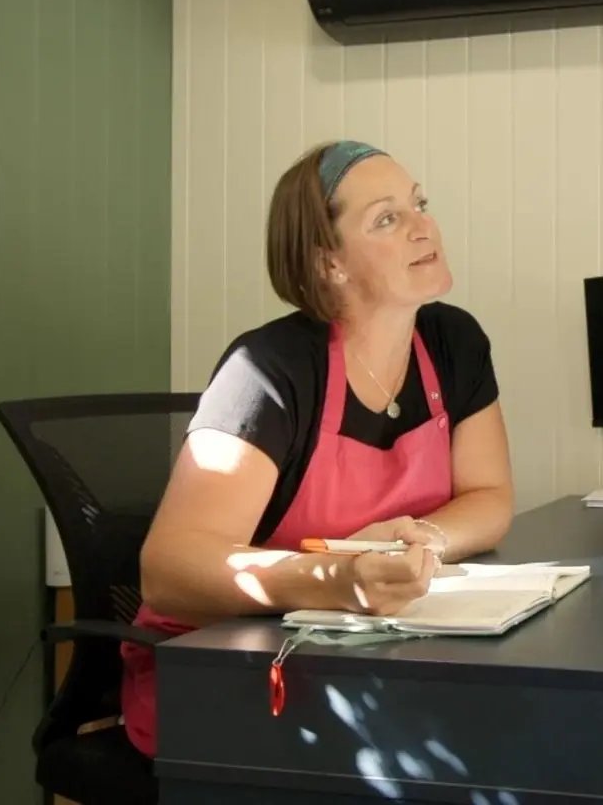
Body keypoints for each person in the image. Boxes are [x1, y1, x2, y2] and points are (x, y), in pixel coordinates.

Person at [120, 140, 515, 757]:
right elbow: (169, 570)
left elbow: (489, 497)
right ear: (329, 262)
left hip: (369, 657)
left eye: (419, 204)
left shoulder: (454, 342)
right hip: (226, 673)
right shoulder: (270, 369)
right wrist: (341, 578)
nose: (423, 226)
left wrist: (421, 543)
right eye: (387, 218)